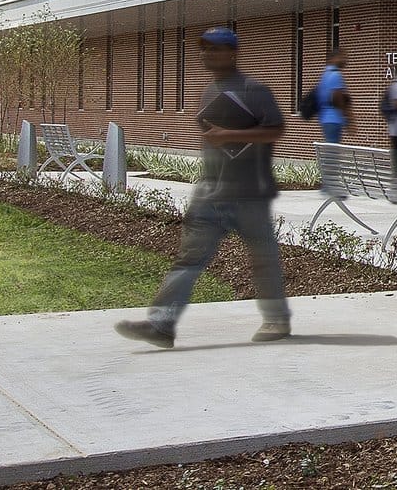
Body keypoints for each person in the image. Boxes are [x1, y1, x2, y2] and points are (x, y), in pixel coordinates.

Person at [115, 28, 290, 348]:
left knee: (263, 258)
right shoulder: (209, 90)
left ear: (232, 53)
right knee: (189, 259)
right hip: (210, 191)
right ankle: (161, 325)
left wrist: (229, 135)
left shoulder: (255, 89)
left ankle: (276, 319)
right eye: (204, 49)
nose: (206, 54)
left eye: (215, 49)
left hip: (250, 193)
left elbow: (276, 129)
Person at [314, 48, 350, 147]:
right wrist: (347, 117)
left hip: (325, 118)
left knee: (330, 148)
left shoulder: (325, 74)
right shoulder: (335, 74)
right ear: (334, 58)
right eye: (342, 57)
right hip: (334, 118)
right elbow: (337, 97)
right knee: (332, 150)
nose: (345, 60)